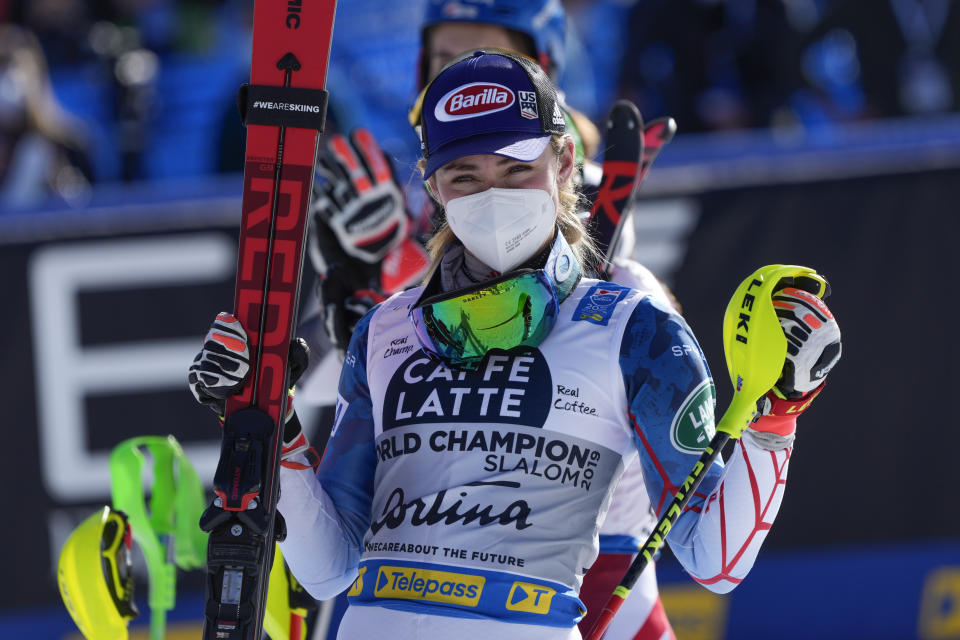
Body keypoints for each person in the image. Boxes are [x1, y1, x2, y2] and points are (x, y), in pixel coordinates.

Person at [190, 50, 842, 639]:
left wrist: (775, 415)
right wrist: (273, 429)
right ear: (432, 185)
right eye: (465, 176)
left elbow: (716, 561)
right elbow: (329, 568)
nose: (492, 194)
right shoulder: (387, 330)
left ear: (561, 164)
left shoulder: (635, 330)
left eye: (514, 166)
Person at [304, 2, 679, 637]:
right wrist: (349, 302)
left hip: (594, 557)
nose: (463, 75)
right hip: (433, 568)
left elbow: (629, 325)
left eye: (489, 56)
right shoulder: (402, 201)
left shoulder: (571, 182)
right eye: (444, 60)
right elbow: (321, 376)